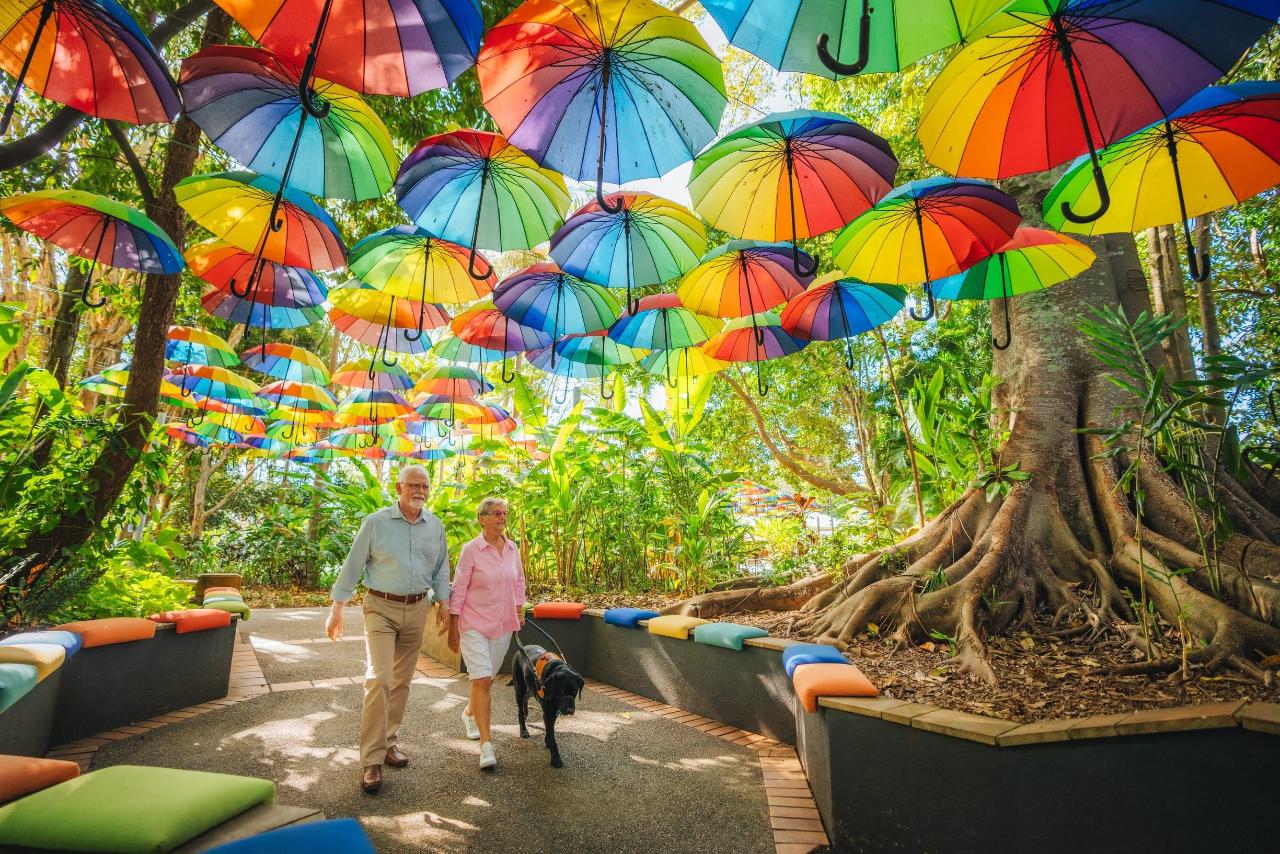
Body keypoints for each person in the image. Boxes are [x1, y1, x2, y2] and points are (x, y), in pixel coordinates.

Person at [326, 464, 451, 794]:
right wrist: (337, 608)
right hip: (380, 607)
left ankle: (388, 742)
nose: (420, 491)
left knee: (401, 683)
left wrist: (444, 604)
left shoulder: (435, 527)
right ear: (398, 488)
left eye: (425, 486)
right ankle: (371, 760)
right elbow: (353, 565)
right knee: (379, 678)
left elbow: (440, 570)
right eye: (413, 485)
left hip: (417, 609)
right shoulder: (376, 523)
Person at [448, 496, 525, 770]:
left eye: (504, 513)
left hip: (502, 624)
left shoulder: (512, 548)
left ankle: (470, 713)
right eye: (496, 513)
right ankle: (486, 745)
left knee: (486, 680)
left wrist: (519, 609)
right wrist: (452, 625)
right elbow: (459, 587)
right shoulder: (471, 550)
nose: (502, 517)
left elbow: (518, 580)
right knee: (480, 679)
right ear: (482, 518)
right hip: (473, 623)